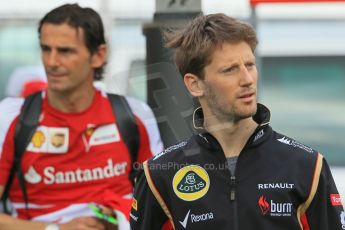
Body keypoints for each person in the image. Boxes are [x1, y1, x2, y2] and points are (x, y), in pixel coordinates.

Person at [130, 13, 345, 230]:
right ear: (195, 84)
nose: (247, 79)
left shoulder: (307, 166)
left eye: (250, 65)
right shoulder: (159, 175)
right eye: (230, 70)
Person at [0, 3, 163, 230]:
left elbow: (159, 204)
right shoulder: (9, 118)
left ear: (98, 55)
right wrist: (55, 229)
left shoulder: (135, 116)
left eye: (65, 51)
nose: (52, 62)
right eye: (46, 49)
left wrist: (120, 218)